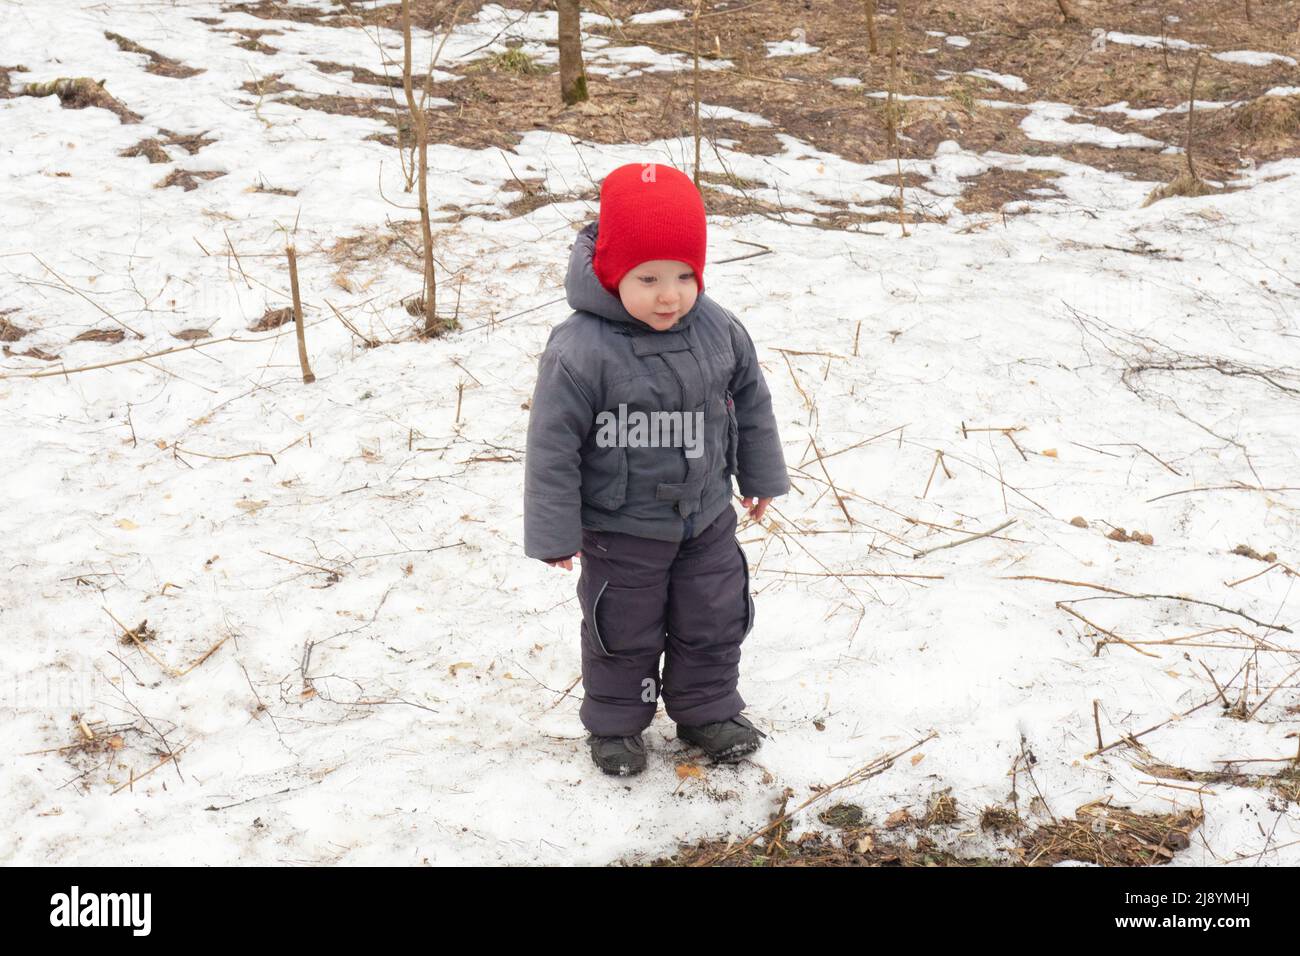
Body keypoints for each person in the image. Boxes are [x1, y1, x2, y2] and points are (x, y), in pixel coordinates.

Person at [523, 161, 789, 776]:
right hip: (621, 528)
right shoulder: (580, 348)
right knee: (623, 627)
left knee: (714, 614)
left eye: (683, 276)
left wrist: (760, 476)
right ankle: (617, 725)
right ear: (613, 274)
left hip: (706, 517)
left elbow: (750, 402)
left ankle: (706, 709)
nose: (668, 295)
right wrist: (555, 533)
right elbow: (552, 447)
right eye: (647, 279)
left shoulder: (718, 328)